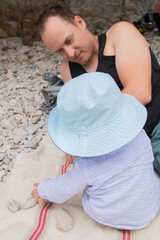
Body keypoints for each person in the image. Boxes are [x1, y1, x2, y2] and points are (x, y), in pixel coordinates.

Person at [35, 3, 160, 173]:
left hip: (155, 124)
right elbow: (81, 118)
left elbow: (140, 93)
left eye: (69, 41)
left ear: (80, 22)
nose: (70, 53)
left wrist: (92, 136)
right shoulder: (67, 69)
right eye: (60, 51)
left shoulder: (119, 34)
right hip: (121, 145)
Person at [31, 72, 160, 230]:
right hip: (150, 207)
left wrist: (43, 189)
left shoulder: (86, 167)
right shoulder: (141, 136)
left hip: (109, 215)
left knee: (85, 185)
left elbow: (63, 188)